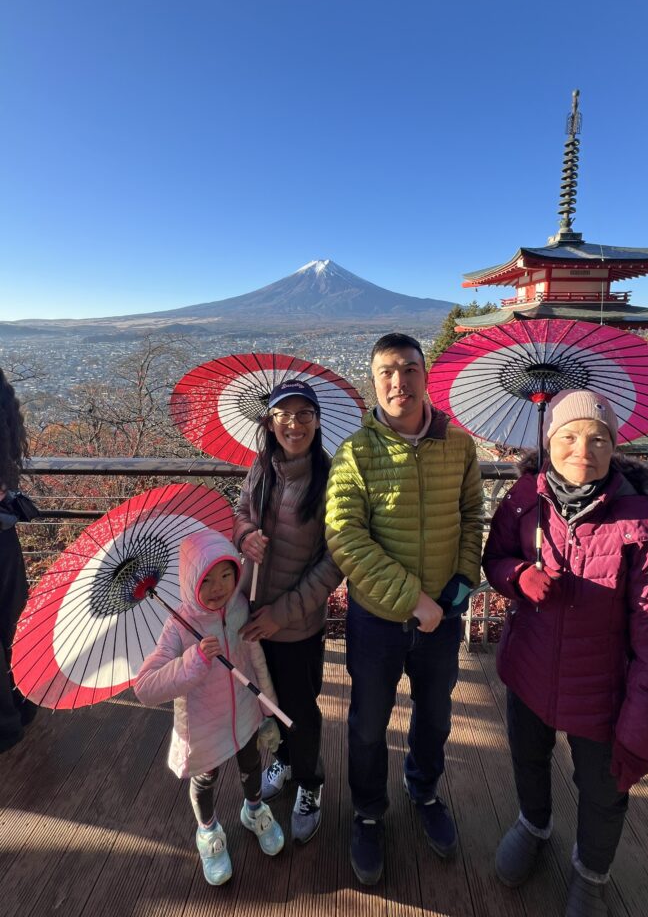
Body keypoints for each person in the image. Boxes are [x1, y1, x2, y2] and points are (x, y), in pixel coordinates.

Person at [483, 389, 648, 917]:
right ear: (548, 441)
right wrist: (518, 576)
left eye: (599, 439)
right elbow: (496, 555)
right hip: (529, 666)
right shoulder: (525, 499)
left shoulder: (640, 527)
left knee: (603, 789)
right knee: (527, 755)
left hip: (603, 688)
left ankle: (592, 871)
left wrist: (645, 726)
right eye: (569, 436)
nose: (583, 450)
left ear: (614, 447)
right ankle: (533, 822)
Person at [325, 333, 483, 885]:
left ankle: (425, 790)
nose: (399, 382)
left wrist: (463, 579)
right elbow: (345, 537)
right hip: (378, 618)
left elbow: (472, 514)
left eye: (409, 369)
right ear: (374, 381)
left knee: (435, 715)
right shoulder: (355, 452)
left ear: (425, 374)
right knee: (369, 723)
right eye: (387, 372)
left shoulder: (458, 445)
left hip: (444, 613)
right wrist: (412, 599)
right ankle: (369, 812)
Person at [134, 528, 284, 886]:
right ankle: (209, 831)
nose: (218, 587)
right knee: (206, 779)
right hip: (203, 726)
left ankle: (254, 810)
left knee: (251, 765)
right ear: (190, 581)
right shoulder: (178, 626)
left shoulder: (239, 607)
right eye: (206, 579)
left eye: (226, 575)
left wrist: (268, 711)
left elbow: (256, 659)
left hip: (244, 712)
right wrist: (195, 660)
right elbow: (145, 688)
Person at [234, 379, 342, 844]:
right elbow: (240, 512)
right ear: (270, 421)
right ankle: (282, 759)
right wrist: (245, 537)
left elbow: (334, 563)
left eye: (304, 415)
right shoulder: (262, 468)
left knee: (300, 708)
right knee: (267, 700)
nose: (293, 425)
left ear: (316, 421)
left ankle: (309, 781)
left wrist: (283, 613)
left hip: (296, 623)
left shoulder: (331, 478)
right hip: (253, 612)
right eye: (283, 415)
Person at [0, 369, 38, 753]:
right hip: (4, 542)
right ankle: (23, 703)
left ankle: (5, 726)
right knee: (13, 625)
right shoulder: (5, 421)